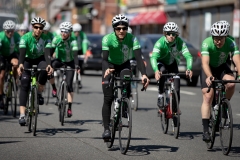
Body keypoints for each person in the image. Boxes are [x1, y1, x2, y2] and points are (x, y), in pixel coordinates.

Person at [101, 14, 150, 139]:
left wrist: (144, 74)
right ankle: (106, 129)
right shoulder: (107, 39)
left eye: (124, 28)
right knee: (108, 98)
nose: (121, 31)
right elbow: (104, 59)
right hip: (110, 65)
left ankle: (124, 104)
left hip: (124, 64)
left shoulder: (132, 39)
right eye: (118, 28)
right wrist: (107, 69)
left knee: (127, 80)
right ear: (114, 29)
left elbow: (139, 58)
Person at [200, 21, 240, 142]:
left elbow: (237, 61)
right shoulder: (207, 43)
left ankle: (223, 107)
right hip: (209, 69)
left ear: (226, 37)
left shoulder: (231, 42)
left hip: (222, 67)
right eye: (216, 38)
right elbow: (205, 63)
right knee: (208, 96)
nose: (218, 41)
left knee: (232, 83)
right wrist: (209, 76)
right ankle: (206, 130)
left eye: (221, 38)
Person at [17, 17, 53, 125]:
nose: (38, 29)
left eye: (40, 28)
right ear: (32, 27)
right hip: (27, 60)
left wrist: (49, 65)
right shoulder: (25, 38)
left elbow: (47, 54)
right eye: (36, 27)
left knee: (44, 69)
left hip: (40, 59)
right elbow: (22, 54)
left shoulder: (46, 38)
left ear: (43, 29)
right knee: (24, 84)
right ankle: (22, 114)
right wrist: (20, 64)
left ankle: (39, 92)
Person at [150, 22, 193, 111]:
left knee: (177, 89)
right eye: (168, 34)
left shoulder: (179, 42)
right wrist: (156, 70)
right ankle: (161, 94)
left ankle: (175, 109)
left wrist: (189, 68)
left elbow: (188, 56)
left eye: (173, 34)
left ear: (176, 35)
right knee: (163, 71)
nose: (171, 36)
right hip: (161, 62)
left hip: (173, 63)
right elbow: (153, 57)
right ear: (165, 34)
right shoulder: (160, 43)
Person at [49, 22, 80, 117]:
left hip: (70, 61)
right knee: (49, 70)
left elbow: (75, 54)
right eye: (62, 31)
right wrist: (49, 64)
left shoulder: (73, 41)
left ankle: (69, 108)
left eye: (66, 31)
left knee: (69, 84)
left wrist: (77, 65)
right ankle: (54, 87)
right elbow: (51, 52)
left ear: (70, 32)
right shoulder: (57, 39)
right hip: (59, 60)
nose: (63, 33)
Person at [0, 20, 21, 109]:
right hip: (2, 55)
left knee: (16, 64)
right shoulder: (1, 36)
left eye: (12, 30)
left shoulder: (16, 36)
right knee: (1, 76)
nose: (10, 33)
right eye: (8, 31)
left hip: (12, 54)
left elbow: (21, 47)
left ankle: (14, 81)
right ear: (4, 31)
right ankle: (1, 96)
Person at [71, 23, 88, 89]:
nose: (77, 33)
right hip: (72, 51)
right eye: (75, 32)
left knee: (80, 67)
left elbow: (84, 44)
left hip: (80, 50)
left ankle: (79, 81)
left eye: (78, 32)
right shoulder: (71, 35)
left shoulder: (83, 35)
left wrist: (85, 53)